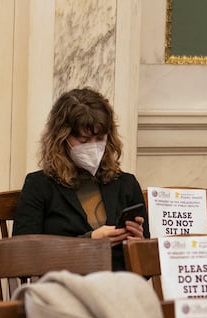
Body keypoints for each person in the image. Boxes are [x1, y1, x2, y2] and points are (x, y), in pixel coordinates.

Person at [13, 87, 149, 271]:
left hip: (117, 288)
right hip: (64, 288)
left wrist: (137, 246)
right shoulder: (39, 185)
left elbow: (146, 267)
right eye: (84, 141)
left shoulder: (126, 184)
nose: (93, 147)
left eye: (100, 138)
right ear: (62, 139)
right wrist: (89, 243)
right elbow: (22, 256)